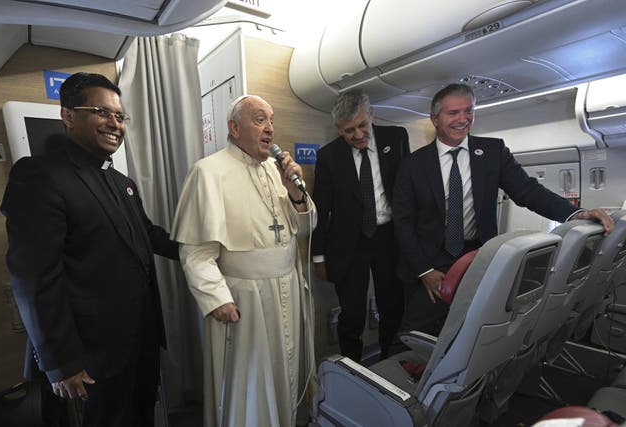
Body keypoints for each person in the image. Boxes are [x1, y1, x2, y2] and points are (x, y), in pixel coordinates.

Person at [0, 72, 179, 427]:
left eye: (119, 116)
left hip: (139, 337)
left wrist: (198, 251)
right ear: (68, 115)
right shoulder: (39, 175)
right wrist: (60, 362)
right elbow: (34, 278)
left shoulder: (120, 182)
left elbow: (146, 234)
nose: (115, 124)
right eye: (102, 112)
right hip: (90, 351)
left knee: (140, 414)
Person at [393, 83, 614, 338]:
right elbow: (404, 222)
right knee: (415, 331)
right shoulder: (413, 165)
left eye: (468, 111)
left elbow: (528, 191)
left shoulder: (492, 151)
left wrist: (576, 214)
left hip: (478, 254)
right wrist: (424, 270)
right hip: (431, 259)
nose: (463, 119)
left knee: (471, 329)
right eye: (453, 113)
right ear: (435, 119)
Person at [171, 95, 316, 427]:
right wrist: (217, 298)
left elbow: (306, 230)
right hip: (244, 298)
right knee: (249, 381)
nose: (270, 129)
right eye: (259, 120)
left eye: (272, 120)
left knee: (285, 370)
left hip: (287, 288)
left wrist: (294, 191)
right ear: (234, 128)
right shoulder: (208, 172)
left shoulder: (276, 171)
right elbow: (195, 252)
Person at [311, 91, 409, 362]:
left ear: (372, 115)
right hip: (349, 245)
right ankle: (352, 371)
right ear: (338, 129)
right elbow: (321, 210)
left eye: (362, 125)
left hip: (389, 239)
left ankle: (392, 366)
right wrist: (318, 256)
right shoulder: (329, 157)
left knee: (393, 309)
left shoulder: (397, 139)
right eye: (348, 130)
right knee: (351, 314)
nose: (357, 135)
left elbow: (407, 194)